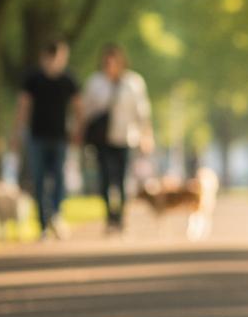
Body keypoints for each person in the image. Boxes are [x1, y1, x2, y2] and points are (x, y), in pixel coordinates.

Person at [79, 44, 154, 232]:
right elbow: (85, 110)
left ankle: (120, 216)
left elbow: (142, 112)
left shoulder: (133, 82)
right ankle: (109, 216)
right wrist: (79, 131)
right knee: (104, 177)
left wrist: (146, 135)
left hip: (125, 137)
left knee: (122, 178)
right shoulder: (95, 83)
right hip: (102, 138)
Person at [13, 38, 81, 240]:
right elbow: (23, 107)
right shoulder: (33, 79)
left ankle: (56, 214)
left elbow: (78, 107)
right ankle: (43, 223)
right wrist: (17, 133)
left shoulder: (68, 79)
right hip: (37, 137)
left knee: (59, 178)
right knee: (39, 179)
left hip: (60, 138)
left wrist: (77, 130)